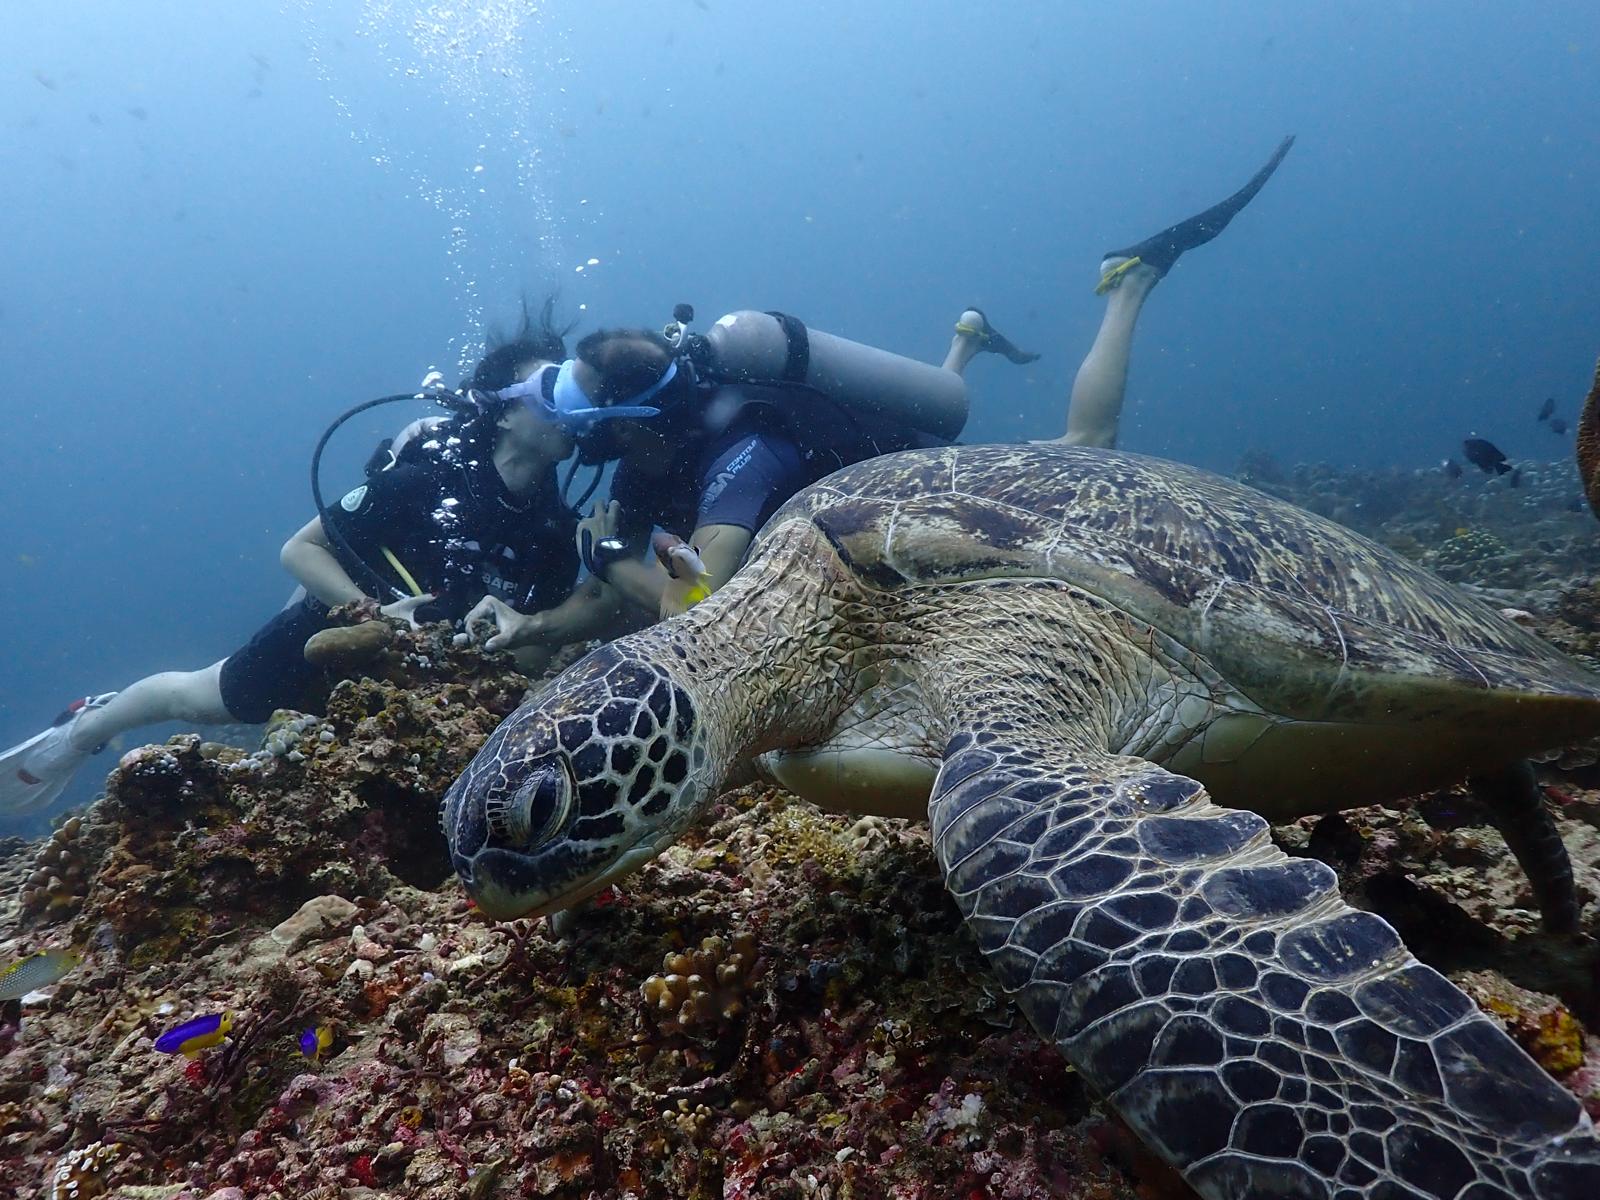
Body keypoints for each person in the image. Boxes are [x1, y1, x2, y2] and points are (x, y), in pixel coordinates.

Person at [0, 300, 618, 816]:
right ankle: (84, 728)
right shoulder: (425, 478)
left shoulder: (554, 532)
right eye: (550, 391)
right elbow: (299, 549)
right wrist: (373, 610)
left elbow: (537, 647)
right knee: (197, 699)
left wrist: (513, 634)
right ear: (505, 408)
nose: (570, 408)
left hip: (432, 696)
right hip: (328, 632)